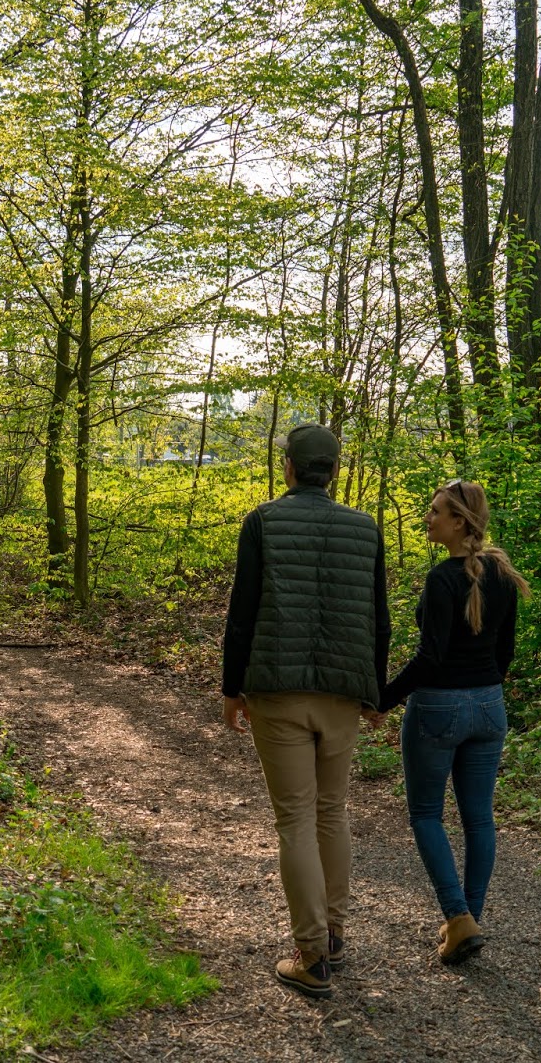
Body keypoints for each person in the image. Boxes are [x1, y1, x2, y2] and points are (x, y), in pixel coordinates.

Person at [221, 423, 390, 1001]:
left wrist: (230, 688)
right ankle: (334, 935)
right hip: (344, 694)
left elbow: (242, 610)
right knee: (332, 811)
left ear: (288, 466)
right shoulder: (365, 528)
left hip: (278, 690)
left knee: (294, 819)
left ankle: (311, 954)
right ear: (334, 471)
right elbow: (378, 616)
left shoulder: (262, 521)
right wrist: (377, 695)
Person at [382, 479, 529, 965]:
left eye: (436, 511)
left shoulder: (443, 579)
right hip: (489, 706)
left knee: (426, 813)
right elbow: (505, 652)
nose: (428, 519)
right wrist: (483, 688)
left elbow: (430, 657)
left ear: (460, 521)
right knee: (478, 816)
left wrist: (382, 699)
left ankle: (458, 916)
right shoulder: (503, 574)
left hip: (439, 707)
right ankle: (468, 921)